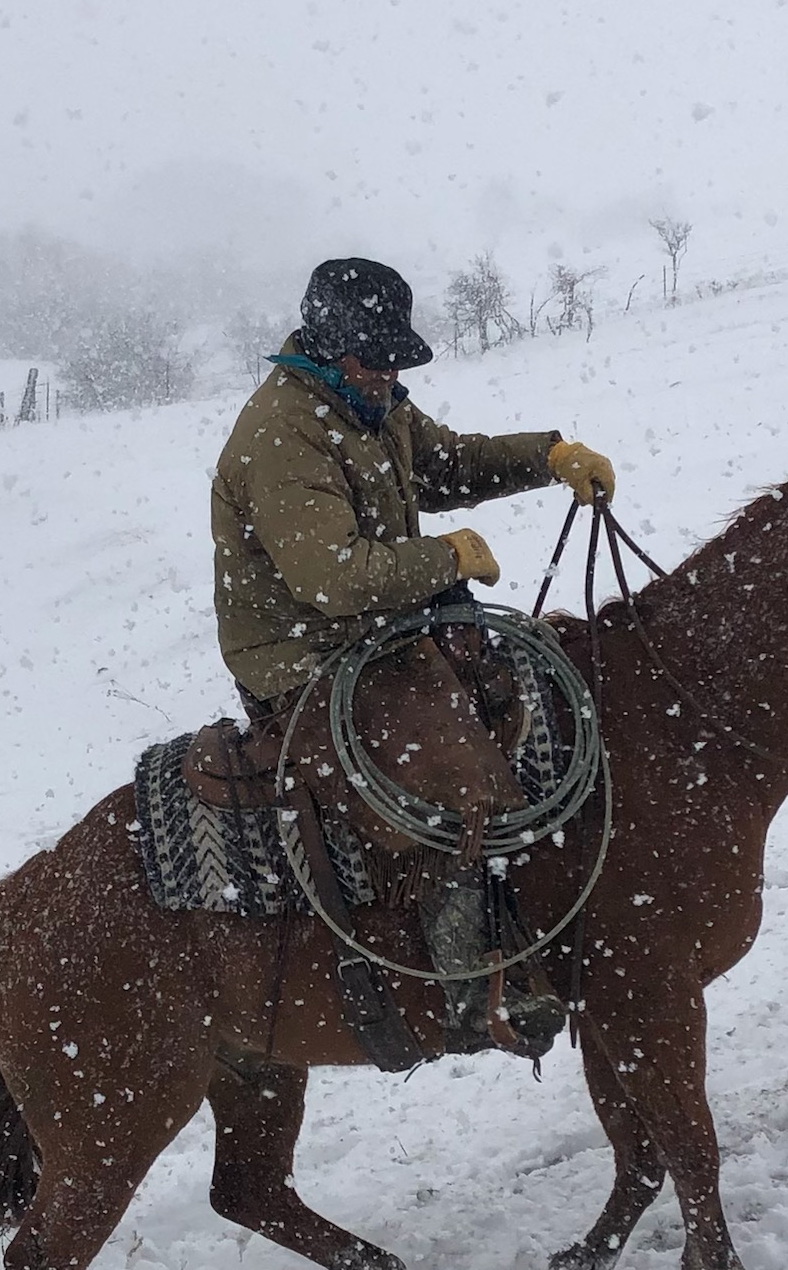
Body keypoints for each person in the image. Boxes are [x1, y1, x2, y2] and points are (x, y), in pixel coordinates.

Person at [210, 257, 616, 1056]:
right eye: (374, 356)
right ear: (328, 349)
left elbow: (447, 464)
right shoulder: (282, 433)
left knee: (518, 685)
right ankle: (476, 987)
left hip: (376, 630)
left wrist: (548, 456)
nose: (390, 371)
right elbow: (328, 579)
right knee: (458, 772)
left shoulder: (370, 401)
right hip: (302, 655)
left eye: (394, 357)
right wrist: (448, 558)